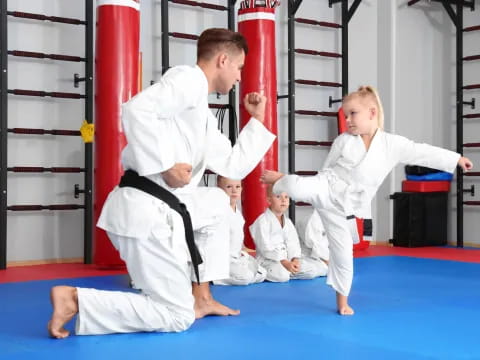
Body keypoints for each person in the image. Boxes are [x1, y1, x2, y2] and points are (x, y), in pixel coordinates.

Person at [47, 28, 276, 338]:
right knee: (177, 316)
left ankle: (203, 297)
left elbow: (233, 165)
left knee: (218, 202)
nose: (239, 78)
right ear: (223, 60)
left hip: (163, 209)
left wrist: (257, 119)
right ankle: (76, 300)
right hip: (145, 213)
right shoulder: (187, 80)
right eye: (238, 68)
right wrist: (164, 165)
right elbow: (136, 109)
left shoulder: (202, 115)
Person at [261, 85, 473, 315]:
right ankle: (283, 180)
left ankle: (342, 303)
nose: (348, 120)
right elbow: (326, 168)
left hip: (345, 209)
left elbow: (421, 151)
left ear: (372, 112)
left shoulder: (392, 145)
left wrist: (456, 159)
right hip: (327, 186)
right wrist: (314, 189)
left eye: (353, 113)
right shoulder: (343, 140)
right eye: (346, 115)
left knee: (343, 257)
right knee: (295, 185)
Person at [249, 186, 327, 282]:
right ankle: (261, 271)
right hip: (268, 260)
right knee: (282, 275)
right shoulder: (262, 221)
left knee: (313, 269)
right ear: (269, 200)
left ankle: (292, 270)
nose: (283, 200)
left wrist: (295, 259)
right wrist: (284, 262)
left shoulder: (288, 222)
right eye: (278, 197)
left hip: (287, 260)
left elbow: (293, 243)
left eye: (286, 197)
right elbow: (265, 248)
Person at [213, 176, 267, 286]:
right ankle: (215, 277)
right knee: (245, 277)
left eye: (237, 187)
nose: (234, 190)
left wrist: (244, 252)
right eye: (229, 187)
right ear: (219, 189)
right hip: (222, 258)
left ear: (241, 189)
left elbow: (237, 239)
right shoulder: (218, 212)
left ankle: (243, 271)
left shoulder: (237, 213)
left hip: (237, 257)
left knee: (263, 273)